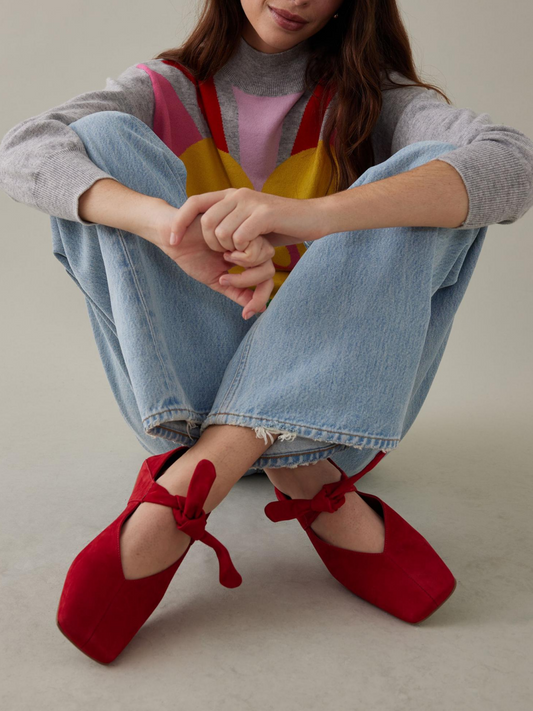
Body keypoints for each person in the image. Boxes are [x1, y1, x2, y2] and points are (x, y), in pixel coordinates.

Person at [1, 0, 533, 663]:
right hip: (180, 399)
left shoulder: (378, 99)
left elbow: (514, 166)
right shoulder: (163, 87)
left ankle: (200, 475)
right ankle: (305, 481)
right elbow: (22, 151)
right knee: (101, 139)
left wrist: (312, 217)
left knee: (430, 172)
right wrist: (167, 228)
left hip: (337, 411)